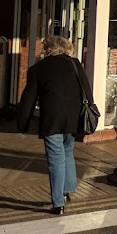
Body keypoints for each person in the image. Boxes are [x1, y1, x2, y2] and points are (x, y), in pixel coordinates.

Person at [17, 35, 94, 215]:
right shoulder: (74, 64)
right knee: (67, 150)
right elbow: (86, 90)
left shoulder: (37, 69)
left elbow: (28, 100)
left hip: (52, 120)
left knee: (55, 159)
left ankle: (58, 203)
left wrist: (22, 125)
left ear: (47, 49)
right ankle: (67, 189)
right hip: (73, 118)